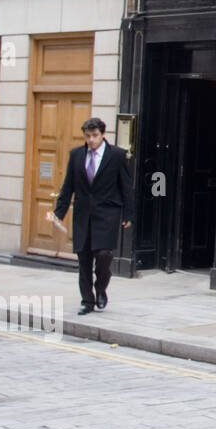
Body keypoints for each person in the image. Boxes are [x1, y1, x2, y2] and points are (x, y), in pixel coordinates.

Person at [52, 117, 134, 315]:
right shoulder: (76, 155)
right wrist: (59, 213)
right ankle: (87, 301)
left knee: (104, 254)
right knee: (84, 258)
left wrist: (128, 214)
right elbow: (68, 186)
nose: (91, 140)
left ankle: (100, 288)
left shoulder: (116, 155)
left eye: (95, 136)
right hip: (83, 214)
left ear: (103, 135)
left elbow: (126, 187)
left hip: (107, 213)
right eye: (88, 136)